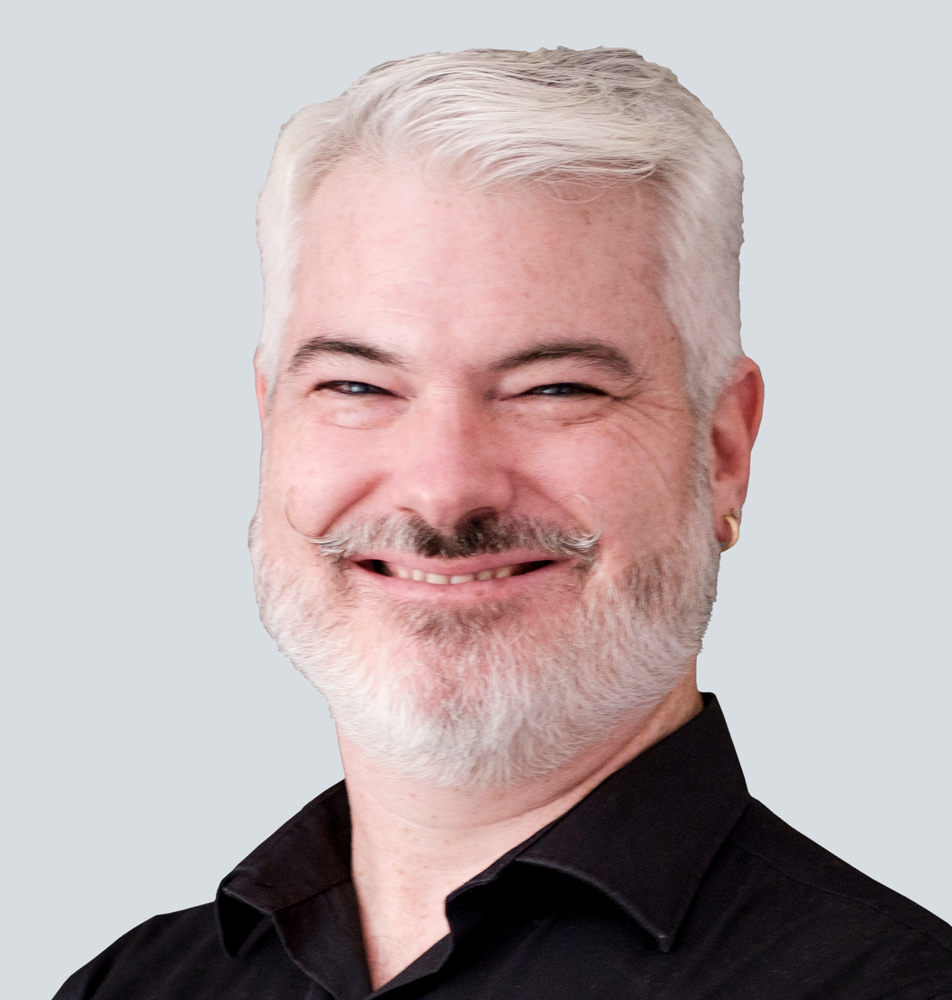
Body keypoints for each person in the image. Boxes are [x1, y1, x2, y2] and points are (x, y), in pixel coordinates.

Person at [54, 46, 952, 999]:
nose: (444, 493)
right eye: (358, 384)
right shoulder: (135, 985)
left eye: (555, 387)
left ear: (724, 449)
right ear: (270, 419)